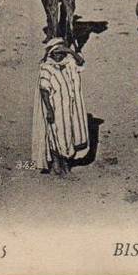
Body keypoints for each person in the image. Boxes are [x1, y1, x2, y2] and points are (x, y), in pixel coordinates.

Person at [31, 38, 89, 177]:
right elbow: (44, 90)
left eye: (61, 52)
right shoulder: (47, 68)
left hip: (69, 108)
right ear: (51, 54)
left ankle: (58, 166)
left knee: (68, 134)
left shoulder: (68, 63)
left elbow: (81, 62)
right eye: (56, 53)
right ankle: (63, 168)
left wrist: (69, 51)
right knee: (58, 136)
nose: (59, 56)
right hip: (56, 108)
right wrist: (49, 110)